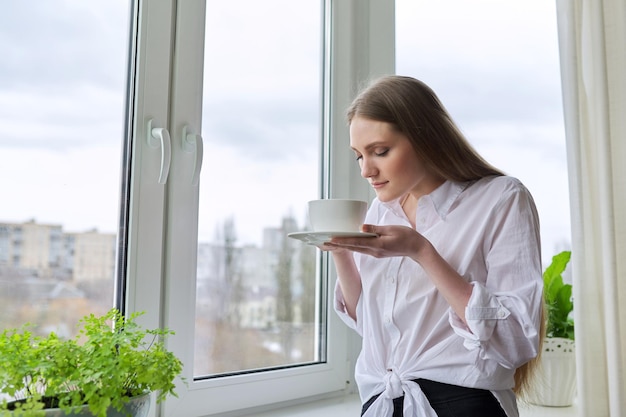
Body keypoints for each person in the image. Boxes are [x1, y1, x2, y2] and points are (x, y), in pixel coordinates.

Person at [320, 75, 544, 417]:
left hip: (462, 403)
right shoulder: (383, 209)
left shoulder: (501, 199)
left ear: (426, 137)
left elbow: (517, 339)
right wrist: (340, 251)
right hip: (382, 400)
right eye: (358, 156)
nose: (366, 170)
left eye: (380, 151)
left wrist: (422, 251)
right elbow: (371, 325)